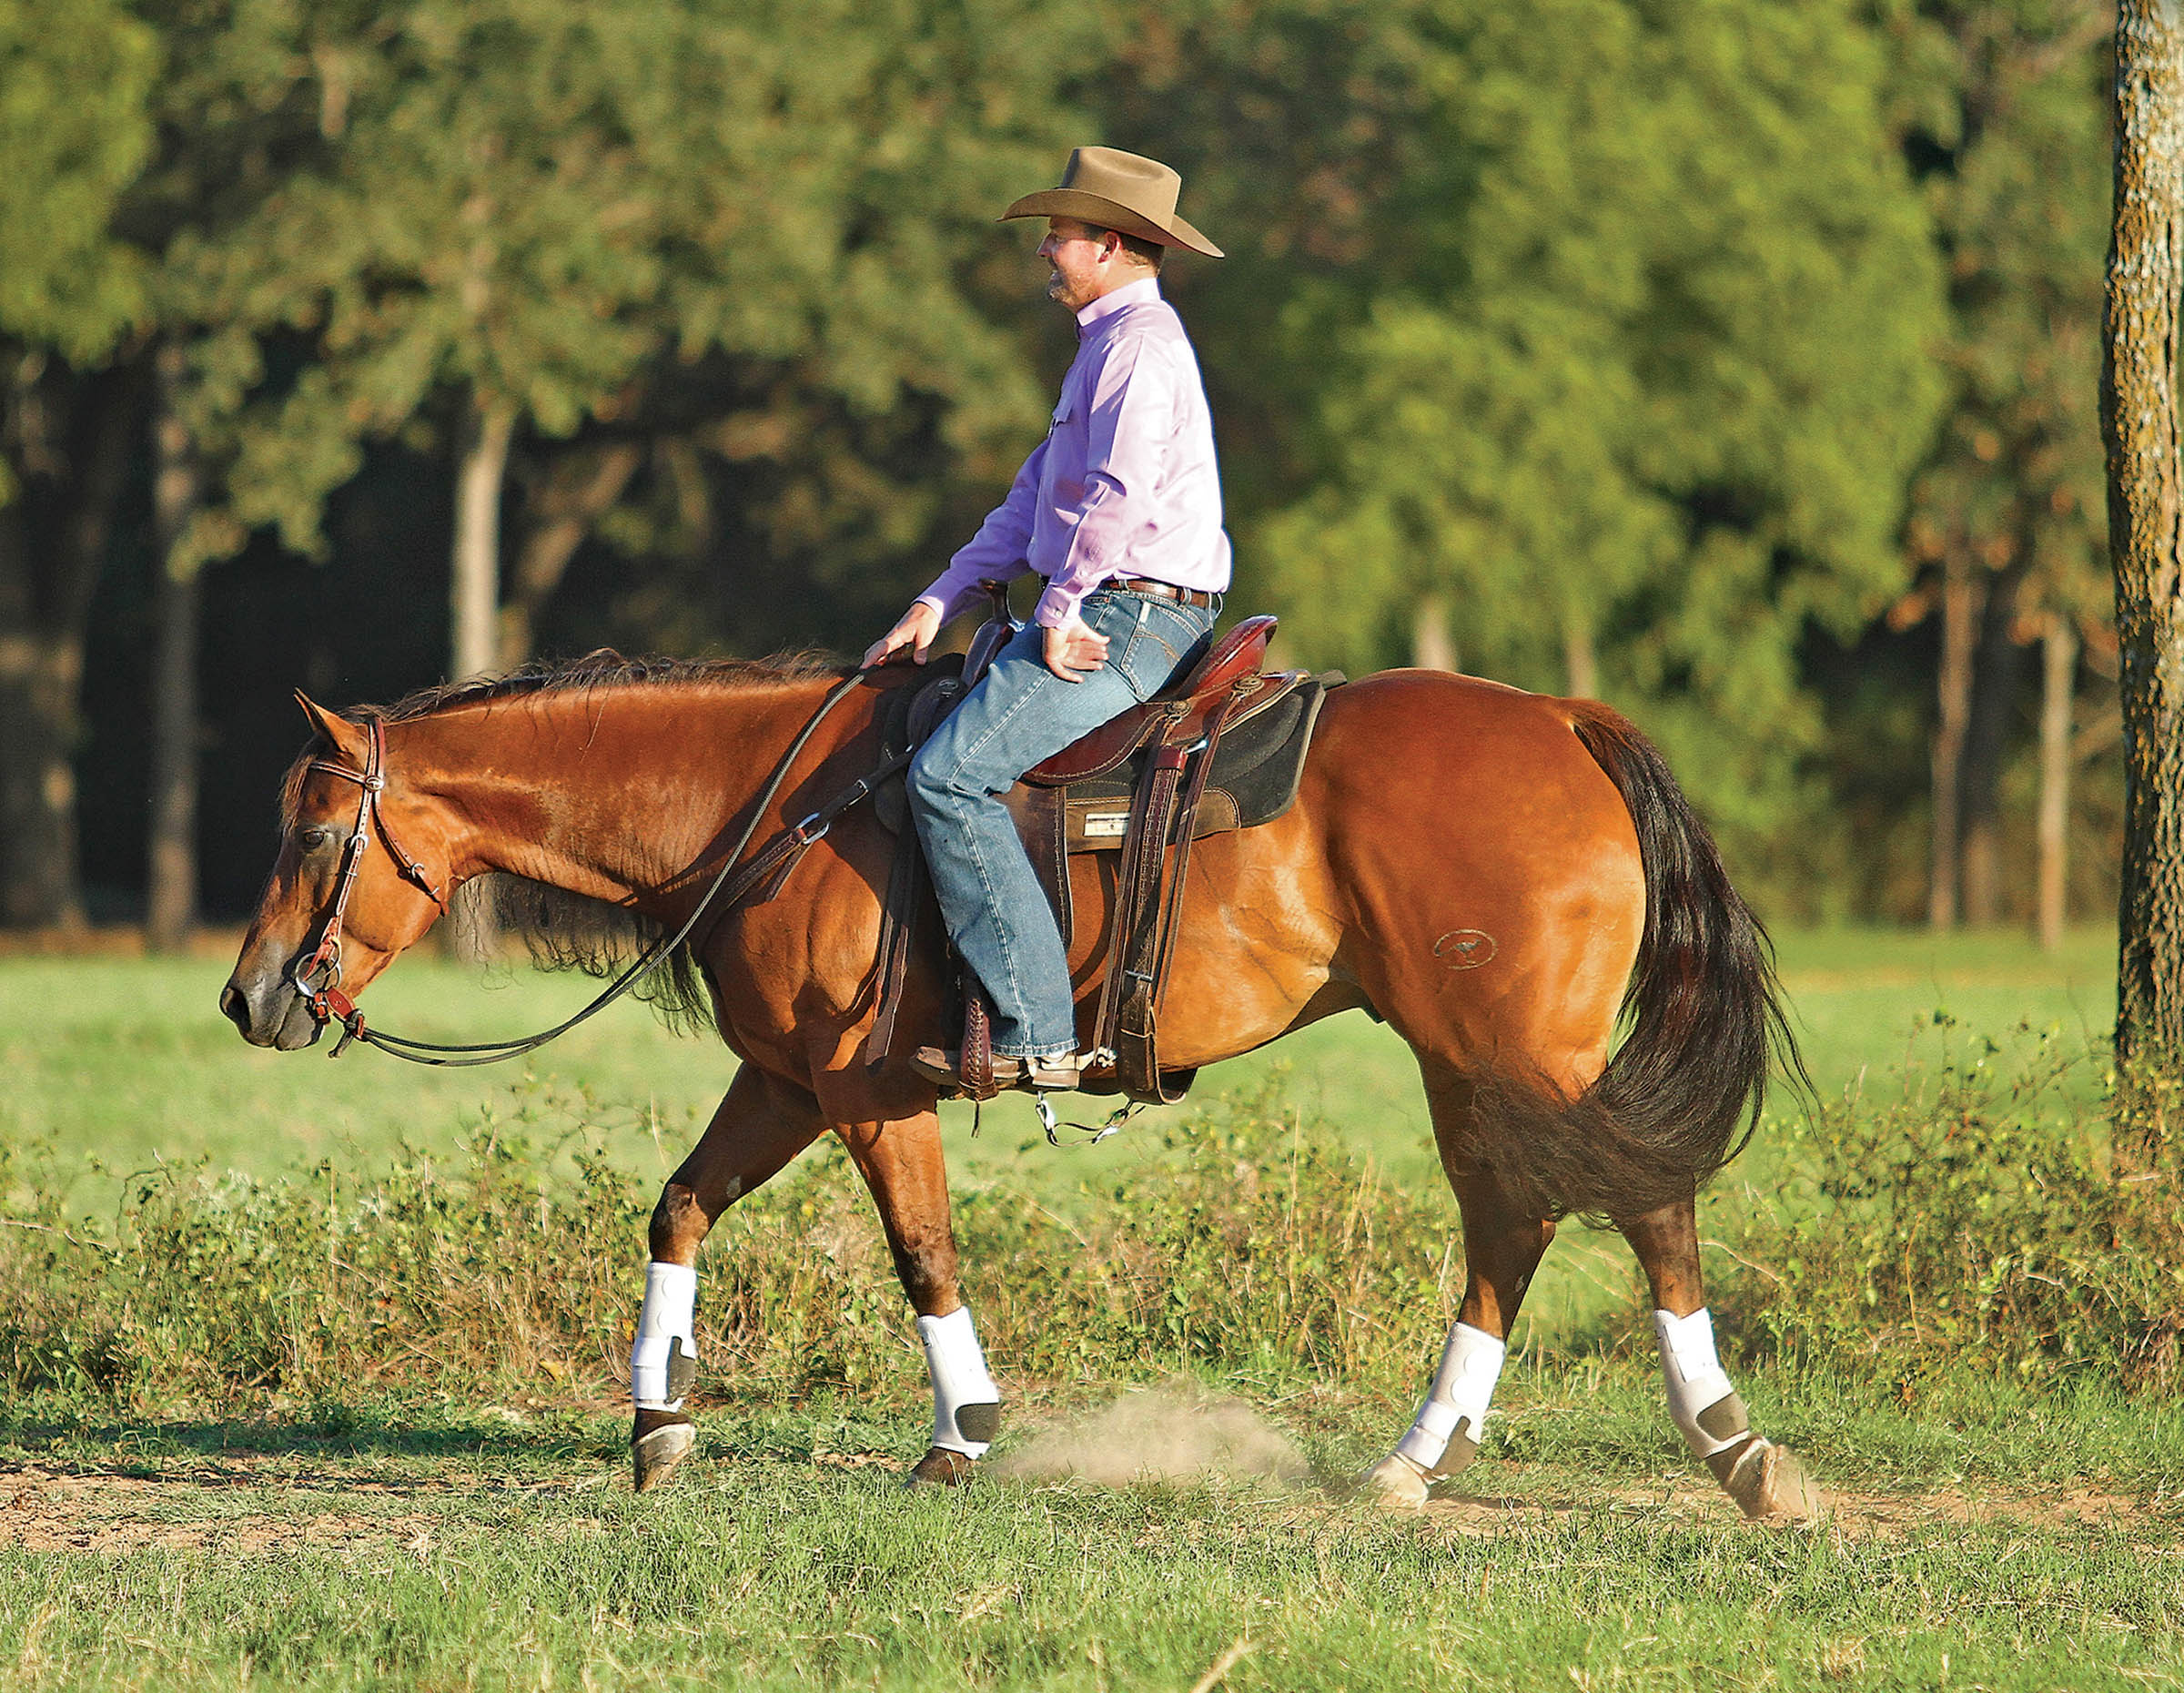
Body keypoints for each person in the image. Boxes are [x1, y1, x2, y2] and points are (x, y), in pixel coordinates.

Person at [863, 146, 1231, 1093]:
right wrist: (937, 599)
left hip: (1132, 613)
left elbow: (1115, 498)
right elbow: (1036, 499)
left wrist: (1062, 612)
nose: (1046, 254)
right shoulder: (1105, 348)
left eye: (1057, 238)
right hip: (1114, 598)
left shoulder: (1139, 351)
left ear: (1107, 244)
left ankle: (1036, 1030)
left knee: (948, 778)